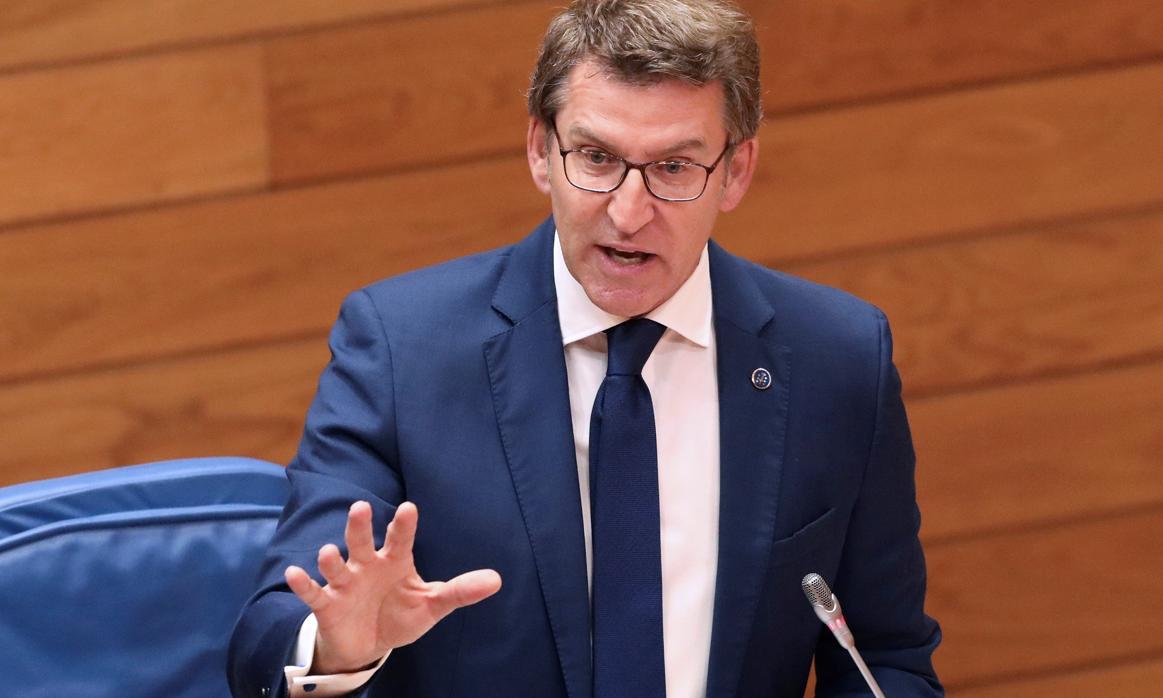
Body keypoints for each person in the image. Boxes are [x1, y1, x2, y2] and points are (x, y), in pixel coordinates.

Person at [228, 1, 942, 696]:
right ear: (540, 150)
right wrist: (336, 649)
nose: (628, 213)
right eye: (596, 158)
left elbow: (885, 656)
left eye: (674, 168)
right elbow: (273, 627)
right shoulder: (401, 349)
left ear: (735, 171)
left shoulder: (836, 359)